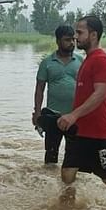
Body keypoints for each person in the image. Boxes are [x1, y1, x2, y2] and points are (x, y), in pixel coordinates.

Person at [57, 16, 106, 207]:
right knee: (67, 173)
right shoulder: (87, 60)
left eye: (80, 32)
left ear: (93, 35)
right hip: (81, 131)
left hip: (100, 133)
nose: (76, 37)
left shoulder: (101, 60)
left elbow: (100, 94)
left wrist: (73, 115)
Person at [32, 25, 83, 164]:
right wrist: (37, 113)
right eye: (67, 40)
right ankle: (49, 182)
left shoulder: (81, 61)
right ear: (58, 41)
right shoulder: (47, 63)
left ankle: (69, 183)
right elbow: (39, 89)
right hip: (53, 116)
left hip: (75, 116)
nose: (72, 43)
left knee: (74, 156)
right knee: (51, 156)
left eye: (73, 39)